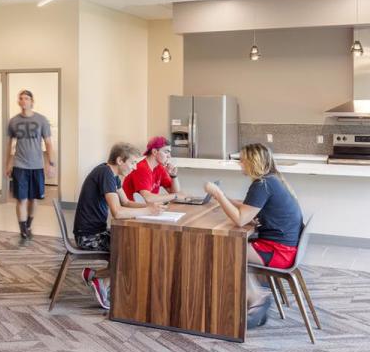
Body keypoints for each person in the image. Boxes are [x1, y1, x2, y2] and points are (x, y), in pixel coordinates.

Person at [205, 143, 304, 328]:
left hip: (279, 252)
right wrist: (223, 198)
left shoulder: (262, 185)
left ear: (252, 162)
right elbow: (248, 208)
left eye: (242, 160)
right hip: (285, 247)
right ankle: (254, 295)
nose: (240, 163)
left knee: (227, 251)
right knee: (232, 248)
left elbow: (240, 219)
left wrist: (218, 194)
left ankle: (256, 298)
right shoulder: (271, 180)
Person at [72, 142, 162, 310]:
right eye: (132, 163)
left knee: (133, 245)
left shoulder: (111, 175)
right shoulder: (105, 173)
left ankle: (95, 275)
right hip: (88, 237)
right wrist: (148, 211)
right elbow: (118, 212)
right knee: (135, 251)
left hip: (94, 232)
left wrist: (151, 208)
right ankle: (102, 283)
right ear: (120, 160)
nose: (135, 167)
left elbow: (126, 202)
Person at [4, 90, 55, 245]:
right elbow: (9, 144)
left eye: (26, 98)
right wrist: (8, 163)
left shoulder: (41, 120)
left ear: (32, 101)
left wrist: (50, 163)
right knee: (21, 199)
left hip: (37, 166)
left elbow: (48, 143)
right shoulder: (13, 121)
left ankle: (29, 225)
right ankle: (23, 230)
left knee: (33, 199)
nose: (23, 101)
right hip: (19, 165)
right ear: (18, 102)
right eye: (21, 98)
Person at [122, 136, 182, 204]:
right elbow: (148, 198)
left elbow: (174, 193)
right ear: (154, 152)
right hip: (132, 209)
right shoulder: (142, 168)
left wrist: (173, 176)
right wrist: (175, 196)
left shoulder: (159, 168)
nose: (169, 156)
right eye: (166, 152)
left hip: (147, 208)